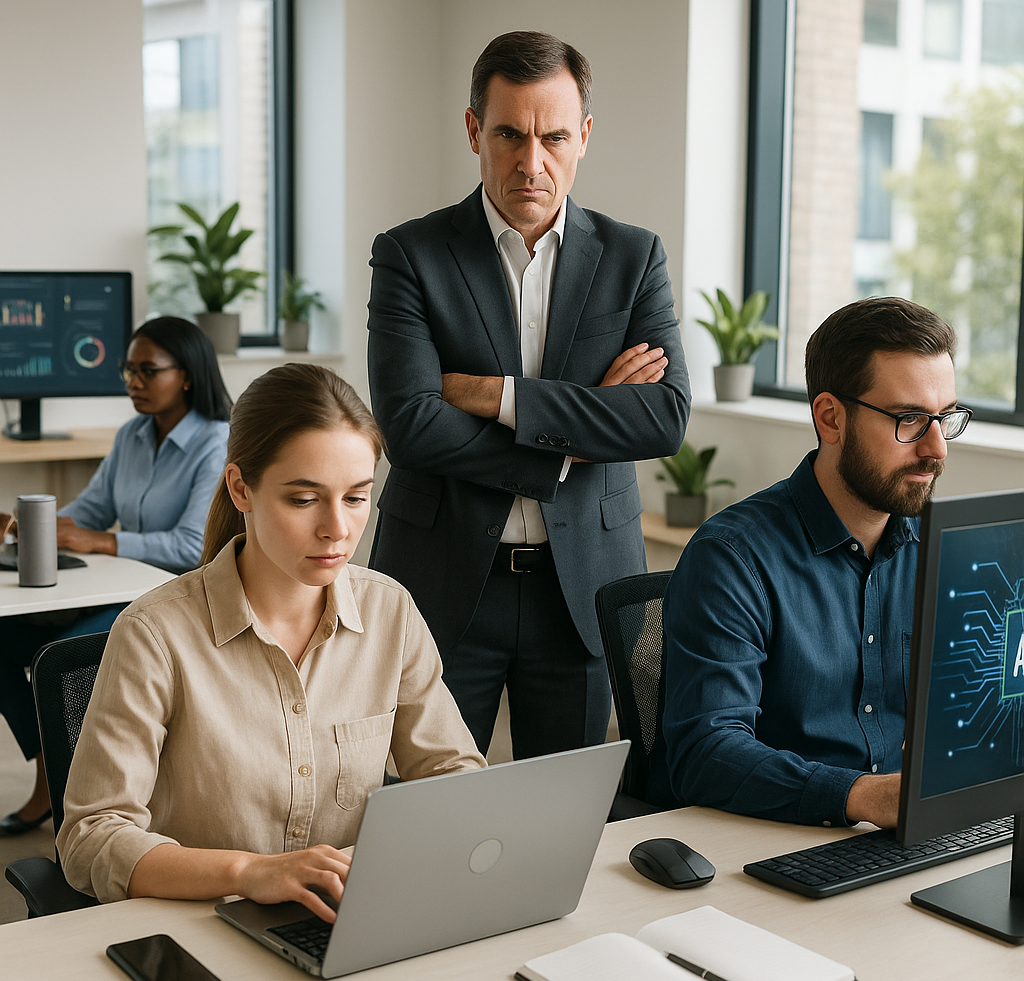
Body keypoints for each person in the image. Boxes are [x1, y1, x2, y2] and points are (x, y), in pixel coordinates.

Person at [56, 364, 484, 920]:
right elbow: (91, 836)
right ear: (241, 488)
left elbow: (455, 775)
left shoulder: (389, 611)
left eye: (356, 498)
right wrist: (248, 872)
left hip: (344, 916)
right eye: (304, 500)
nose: (337, 529)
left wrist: (374, 861)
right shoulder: (154, 635)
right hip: (199, 924)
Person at [367, 31, 690, 760]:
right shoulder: (410, 254)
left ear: (584, 138)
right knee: (428, 820)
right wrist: (586, 418)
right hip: (443, 587)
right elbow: (412, 426)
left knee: (561, 824)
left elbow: (664, 416)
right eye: (510, 133)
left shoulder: (634, 257)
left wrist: (495, 394)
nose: (531, 162)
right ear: (475, 129)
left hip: (581, 592)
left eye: (552, 137)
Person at [647, 296, 973, 830]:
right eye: (910, 419)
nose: (936, 448)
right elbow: (705, 754)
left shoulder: (945, 549)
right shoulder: (732, 558)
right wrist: (864, 796)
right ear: (831, 418)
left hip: (908, 839)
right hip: (771, 843)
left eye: (945, 418)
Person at [0, 316, 231, 835]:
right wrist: (28, 528)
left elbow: (194, 545)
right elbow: (92, 510)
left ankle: (76, 799)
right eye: (128, 371)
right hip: (126, 588)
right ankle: (49, 774)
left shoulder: (217, 442)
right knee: (2, 637)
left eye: (148, 370)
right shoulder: (132, 435)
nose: (133, 382)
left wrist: (103, 542)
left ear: (188, 374)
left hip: (179, 598)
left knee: (54, 659)